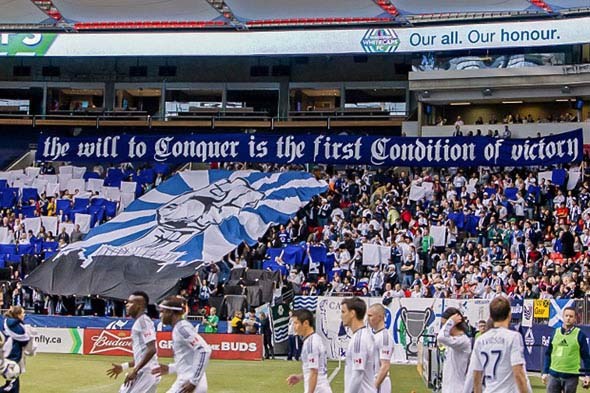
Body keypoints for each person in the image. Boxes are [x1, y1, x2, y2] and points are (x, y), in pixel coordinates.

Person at [471, 297, 531, 393]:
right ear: (509, 314)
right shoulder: (513, 337)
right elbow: (518, 372)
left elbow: (476, 374)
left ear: (490, 316)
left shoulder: (480, 340)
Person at [153, 297, 212, 393]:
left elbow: (204, 350)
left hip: (189, 382)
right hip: (191, 381)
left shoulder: (182, 328)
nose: (160, 315)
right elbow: (189, 360)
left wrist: (194, 382)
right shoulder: (179, 328)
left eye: (162, 311)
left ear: (171, 312)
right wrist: (171, 368)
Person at [106, 291, 159, 393]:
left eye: (130, 302)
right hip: (148, 372)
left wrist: (135, 371)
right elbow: (143, 356)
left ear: (139, 305)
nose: (126, 304)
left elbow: (152, 349)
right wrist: (124, 366)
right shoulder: (140, 322)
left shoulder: (143, 322)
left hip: (145, 373)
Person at [542, 307, 590, 392]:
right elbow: (548, 354)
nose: (568, 318)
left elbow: (586, 357)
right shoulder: (554, 333)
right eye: (566, 316)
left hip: (571, 377)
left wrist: (588, 375)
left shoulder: (580, 335)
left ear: (575, 319)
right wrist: (545, 372)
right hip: (553, 375)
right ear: (563, 317)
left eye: (571, 316)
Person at [286, 309, 333, 393]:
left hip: (318, 389)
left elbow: (314, 372)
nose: (294, 326)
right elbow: (314, 369)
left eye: (296, 323)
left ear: (306, 323)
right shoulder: (314, 339)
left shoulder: (311, 343)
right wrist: (300, 377)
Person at [341, 297, 376, 393]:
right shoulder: (363, 335)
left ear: (352, 313)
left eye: (343, 312)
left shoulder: (359, 339)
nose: (341, 316)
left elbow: (358, 374)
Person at [437, 307, 471, 393]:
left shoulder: (463, 341)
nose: (443, 328)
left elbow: (441, 337)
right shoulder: (453, 340)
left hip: (456, 389)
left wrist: (451, 321)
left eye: (445, 324)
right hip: (448, 388)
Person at [1, 306, 30, 393]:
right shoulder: (16, 327)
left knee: (13, 384)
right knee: (12, 386)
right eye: (22, 313)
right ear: (18, 315)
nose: (24, 315)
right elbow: (24, 341)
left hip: (7, 356)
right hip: (11, 357)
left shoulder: (6, 322)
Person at [367, 304, 393, 393]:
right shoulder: (376, 335)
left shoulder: (385, 337)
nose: (368, 319)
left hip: (380, 384)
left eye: (370, 316)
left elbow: (385, 365)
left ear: (380, 317)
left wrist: (374, 387)